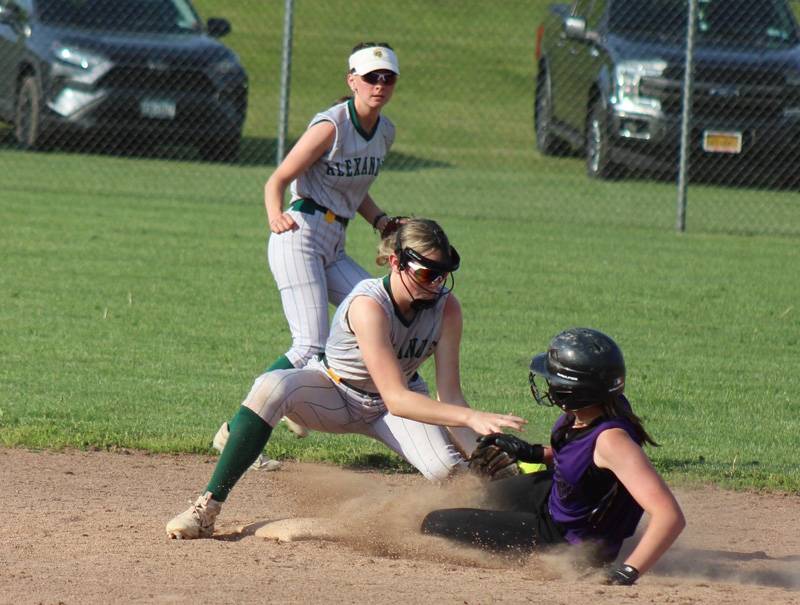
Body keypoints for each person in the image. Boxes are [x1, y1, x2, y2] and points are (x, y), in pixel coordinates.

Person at [166, 219, 527, 539]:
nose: (435, 284)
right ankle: (206, 509)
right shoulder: (369, 304)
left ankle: (505, 528)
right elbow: (400, 397)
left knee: (450, 471)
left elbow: (450, 395)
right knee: (271, 386)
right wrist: (470, 418)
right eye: (426, 273)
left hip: (391, 409)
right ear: (396, 262)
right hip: (333, 393)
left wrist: (477, 450)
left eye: (442, 274)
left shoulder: (448, 309)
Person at [212, 42, 406, 465]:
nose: (379, 84)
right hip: (299, 231)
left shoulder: (385, 132)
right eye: (371, 77)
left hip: (335, 239)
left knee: (382, 307)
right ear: (352, 80)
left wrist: (381, 221)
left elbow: (355, 189)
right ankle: (235, 430)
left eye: (387, 77)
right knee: (308, 343)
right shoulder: (331, 126)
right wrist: (273, 215)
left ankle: (297, 401)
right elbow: (277, 178)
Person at [422, 328, 685, 586]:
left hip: (565, 541)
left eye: (554, 380)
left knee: (434, 524)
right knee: (482, 498)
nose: (548, 384)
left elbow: (669, 515)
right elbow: (583, 463)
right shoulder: (596, 410)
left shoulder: (613, 442)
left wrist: (628, 571)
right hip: (558, 496)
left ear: (574, 391)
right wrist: (533, 453)